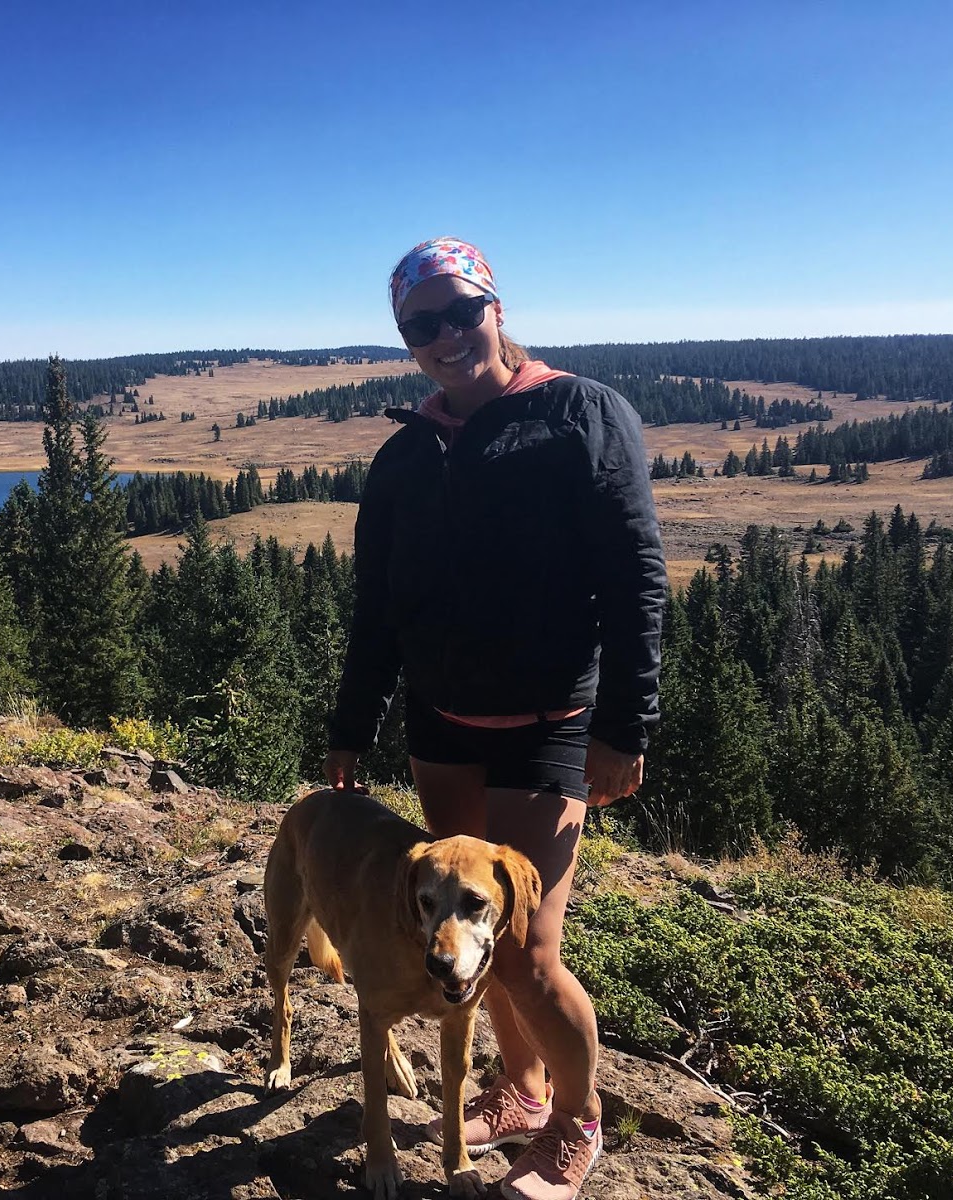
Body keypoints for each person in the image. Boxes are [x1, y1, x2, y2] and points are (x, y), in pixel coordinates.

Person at [323, 237, 666, 1200]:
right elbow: (378, 607)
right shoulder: (403, 457)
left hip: (552, 723)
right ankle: (516, 1092)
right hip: (442, 729)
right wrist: (354, 723)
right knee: (471, 933)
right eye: (418, 325)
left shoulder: (583, 415)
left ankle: (574, 1120)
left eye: (457, 312)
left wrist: (625, 726)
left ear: (495, 305)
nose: (442, 336)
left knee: (522, 946)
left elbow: (636, 580)